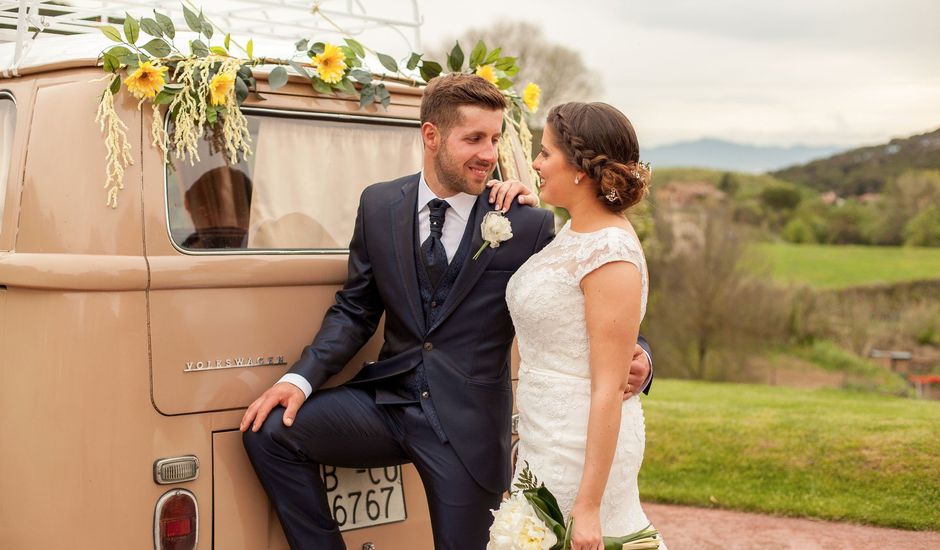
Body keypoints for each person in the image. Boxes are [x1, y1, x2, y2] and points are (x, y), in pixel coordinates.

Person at [239, 74, 653, 550]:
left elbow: (583, 296)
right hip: (388, 404)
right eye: (474, 138)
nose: (489, 153)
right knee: (269, 433)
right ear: (431, 136)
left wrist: (639, 354)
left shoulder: (526, 221)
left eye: (495, 138)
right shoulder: (378, 205)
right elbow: (355, 310)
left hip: (467, 427)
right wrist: (298, 381)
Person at [507, 101, 665, 550]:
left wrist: (589, 504)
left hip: (579, 445)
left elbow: (607, 388)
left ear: (579, 168)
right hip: (544, 435)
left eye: (545, 153)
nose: (536, 163)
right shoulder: (574, 233)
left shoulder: (611, 252)